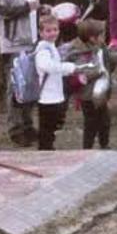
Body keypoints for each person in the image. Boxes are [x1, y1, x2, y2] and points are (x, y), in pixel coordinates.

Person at [0, 0, 41, 146]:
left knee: (29, 85)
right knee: (16, 86)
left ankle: (28, 125)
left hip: (30, 41)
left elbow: (32, 9)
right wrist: (23, 9)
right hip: (13, 43)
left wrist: (42, 10)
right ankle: (15, 129)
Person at [61, 19, 117, 150]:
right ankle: (87, 147)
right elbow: (82, 71)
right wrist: (96, 72)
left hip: (101, 92)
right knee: (91, 122)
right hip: (87, 94)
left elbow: (108, 59)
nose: (103, 38)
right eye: (101, 35)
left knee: (105, 120)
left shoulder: (101, 47)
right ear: (91, 37)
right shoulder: (78, 52)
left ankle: (104, 144)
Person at [35, 15, 77, 151]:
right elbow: (48, 66)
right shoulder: (43, 50)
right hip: (46, 96)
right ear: (41, 33)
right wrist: (68, 67)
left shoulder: (51, 47)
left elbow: (56, 67)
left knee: (51, 127)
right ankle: (45, 150)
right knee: (46, 128)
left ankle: (48, 147)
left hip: (54, 94)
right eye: (48, 31)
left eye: (55, 29)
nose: (52, 33)